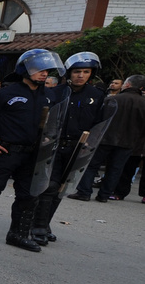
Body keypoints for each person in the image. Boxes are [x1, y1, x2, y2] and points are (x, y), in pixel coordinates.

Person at [0, 48, 62, 251]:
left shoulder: (50, 96)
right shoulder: (5, 93)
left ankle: (18, 234)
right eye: (39, 69)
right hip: (5, 151)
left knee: (28, 196)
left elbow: (54, 123)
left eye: (47, 70)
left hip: (33, 154)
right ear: (25, 69)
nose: (44, 73)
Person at [31, 52, 106, 241]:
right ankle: (38, 226)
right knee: (50, 185)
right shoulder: (56, 92)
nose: (80, 75)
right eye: (77, 71)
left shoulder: (97, 96)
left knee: (61, 189)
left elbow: (100, 123)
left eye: (85, 72)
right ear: (69, 73)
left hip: (78, 148)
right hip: (54, 146)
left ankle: (44, 223)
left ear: (91, 74)